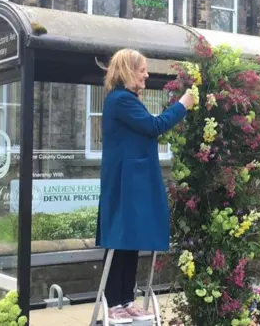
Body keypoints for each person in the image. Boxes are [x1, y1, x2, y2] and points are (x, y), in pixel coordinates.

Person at [95, 48, 195, 323]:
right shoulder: (119, 100)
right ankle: (114, 301)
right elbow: (154, 126)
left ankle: (126, 300)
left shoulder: (126, 100)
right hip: (125, 181)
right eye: (142, 70)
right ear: (128, 70)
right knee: (119, 239)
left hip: (133, 180)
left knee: (131, 240)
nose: (147, 75)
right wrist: (182, 105)